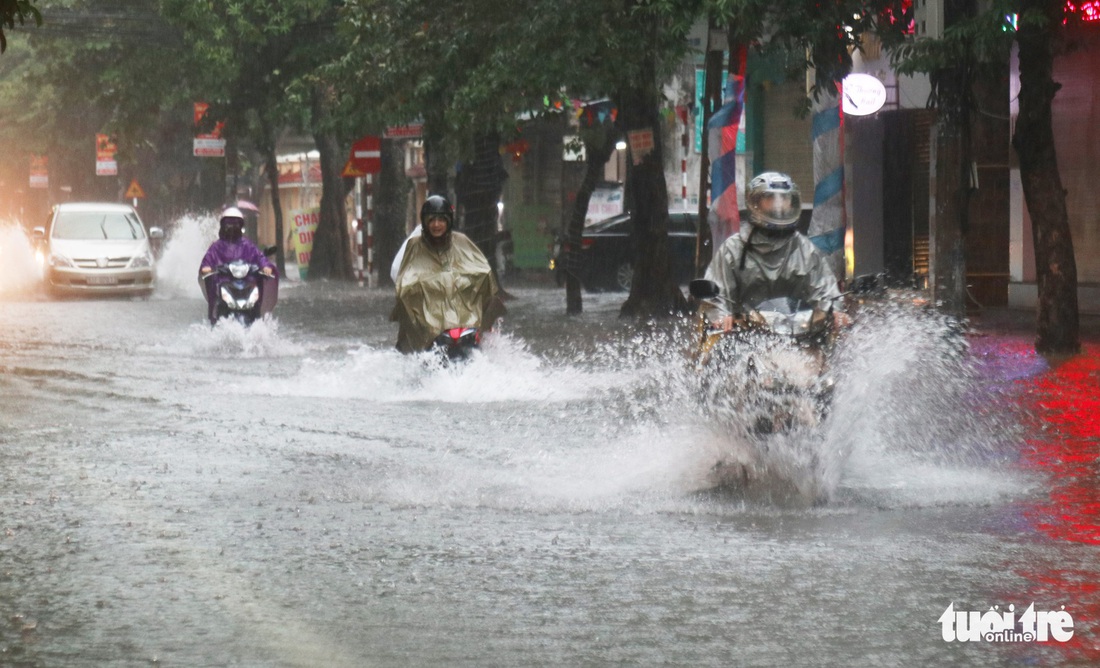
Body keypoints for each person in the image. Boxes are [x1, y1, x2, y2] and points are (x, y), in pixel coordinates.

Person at [703, 172, 848, 332]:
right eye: (771, 199)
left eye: (784, 199)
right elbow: (717, 293)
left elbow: (825, 287)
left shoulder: (804, 249)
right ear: (755, 203)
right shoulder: (733, 249)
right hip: (744, 336)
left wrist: (834, 310)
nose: (779, 205)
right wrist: (721, 315)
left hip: (800, 337)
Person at [391, 194, 505, 353]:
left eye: (441, 220)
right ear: (425, 221)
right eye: (432, 220)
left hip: (462, 314)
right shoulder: (415, 245)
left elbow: (483, 274)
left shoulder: (461, 242)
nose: (436, 225)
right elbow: (398, 273)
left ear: (449, 221)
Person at [199, 206, 277, 321]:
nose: (232, 227)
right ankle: (216, 318)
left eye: (235, 224)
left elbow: (259, 257)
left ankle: (258, 317)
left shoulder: (247, 245)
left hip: (247, 284)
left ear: (240, 226)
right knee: (217, 300)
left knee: (256, 299)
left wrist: (266, 266)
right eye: (229, 224)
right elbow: (207, 261)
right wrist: (207, 268)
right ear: (223, 226)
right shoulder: (216, 247)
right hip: (224, 284)